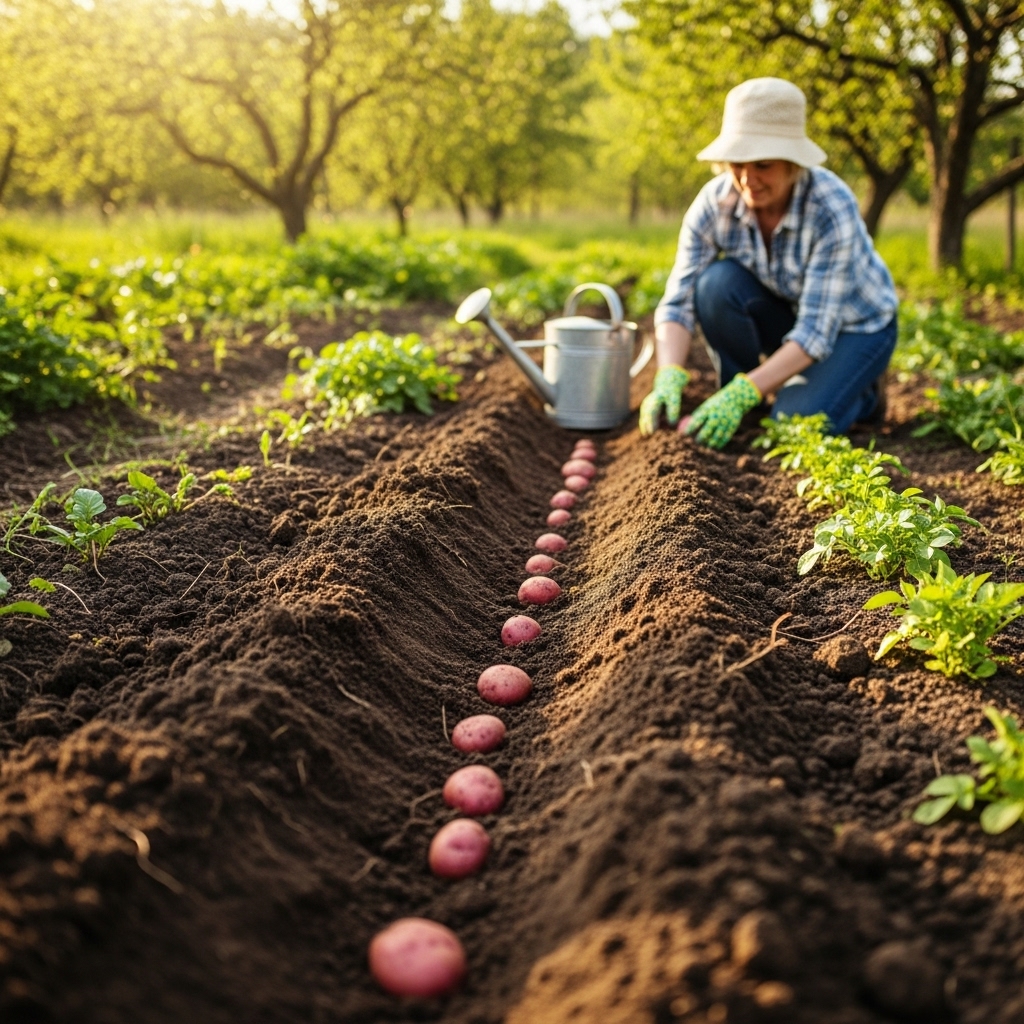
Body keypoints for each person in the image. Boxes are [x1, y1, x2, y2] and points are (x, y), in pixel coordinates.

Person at [639, 77, 899, 449]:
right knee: (715, 285)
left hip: (856, 328)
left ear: (793, 162)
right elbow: (679, 301)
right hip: (791, 313)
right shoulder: (715, 204)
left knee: (793, 423)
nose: (748, 179)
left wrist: (746, 391)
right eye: (737, 164)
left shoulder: (830, 207)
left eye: (762, 165)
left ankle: (864, 395)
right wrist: (668, 372)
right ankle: (744, 395)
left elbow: (815, 332)